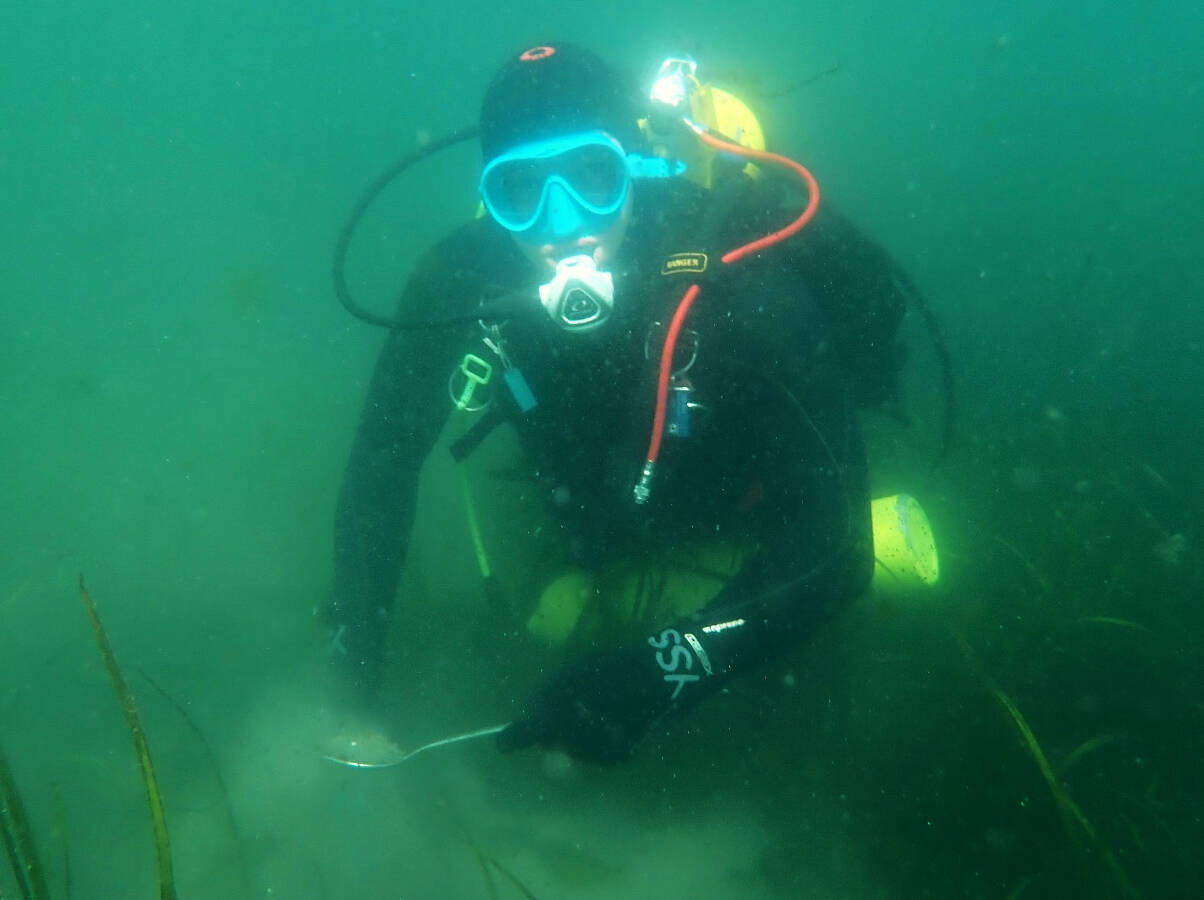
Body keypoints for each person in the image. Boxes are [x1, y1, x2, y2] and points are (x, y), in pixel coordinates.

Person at [320, 42, 909, 765]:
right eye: (520, 192)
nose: (563, 221)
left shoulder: (739, 272)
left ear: (635, 164)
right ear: (492, 199)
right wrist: (351, 696)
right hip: (591, 506)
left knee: (870, 582)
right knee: (553, 614)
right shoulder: (460, 276)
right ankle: (607, 570)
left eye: (592, 175)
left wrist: (655, 675)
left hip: (746, 501)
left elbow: (835, 550)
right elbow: (381, 468)